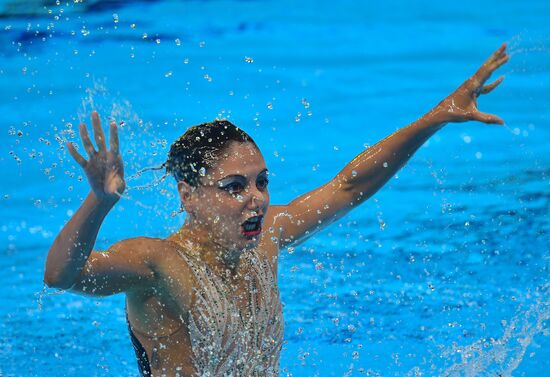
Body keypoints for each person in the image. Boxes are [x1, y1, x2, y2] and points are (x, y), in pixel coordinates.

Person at [44, 44, 510, 376]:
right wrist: (99, 203)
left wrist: (437, 116)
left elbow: (350, 186)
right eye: (233, 187)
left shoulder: (267, 235)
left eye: (261, 182)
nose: (256, 199)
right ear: (187, 195)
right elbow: (62, 275)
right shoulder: (158, 264)